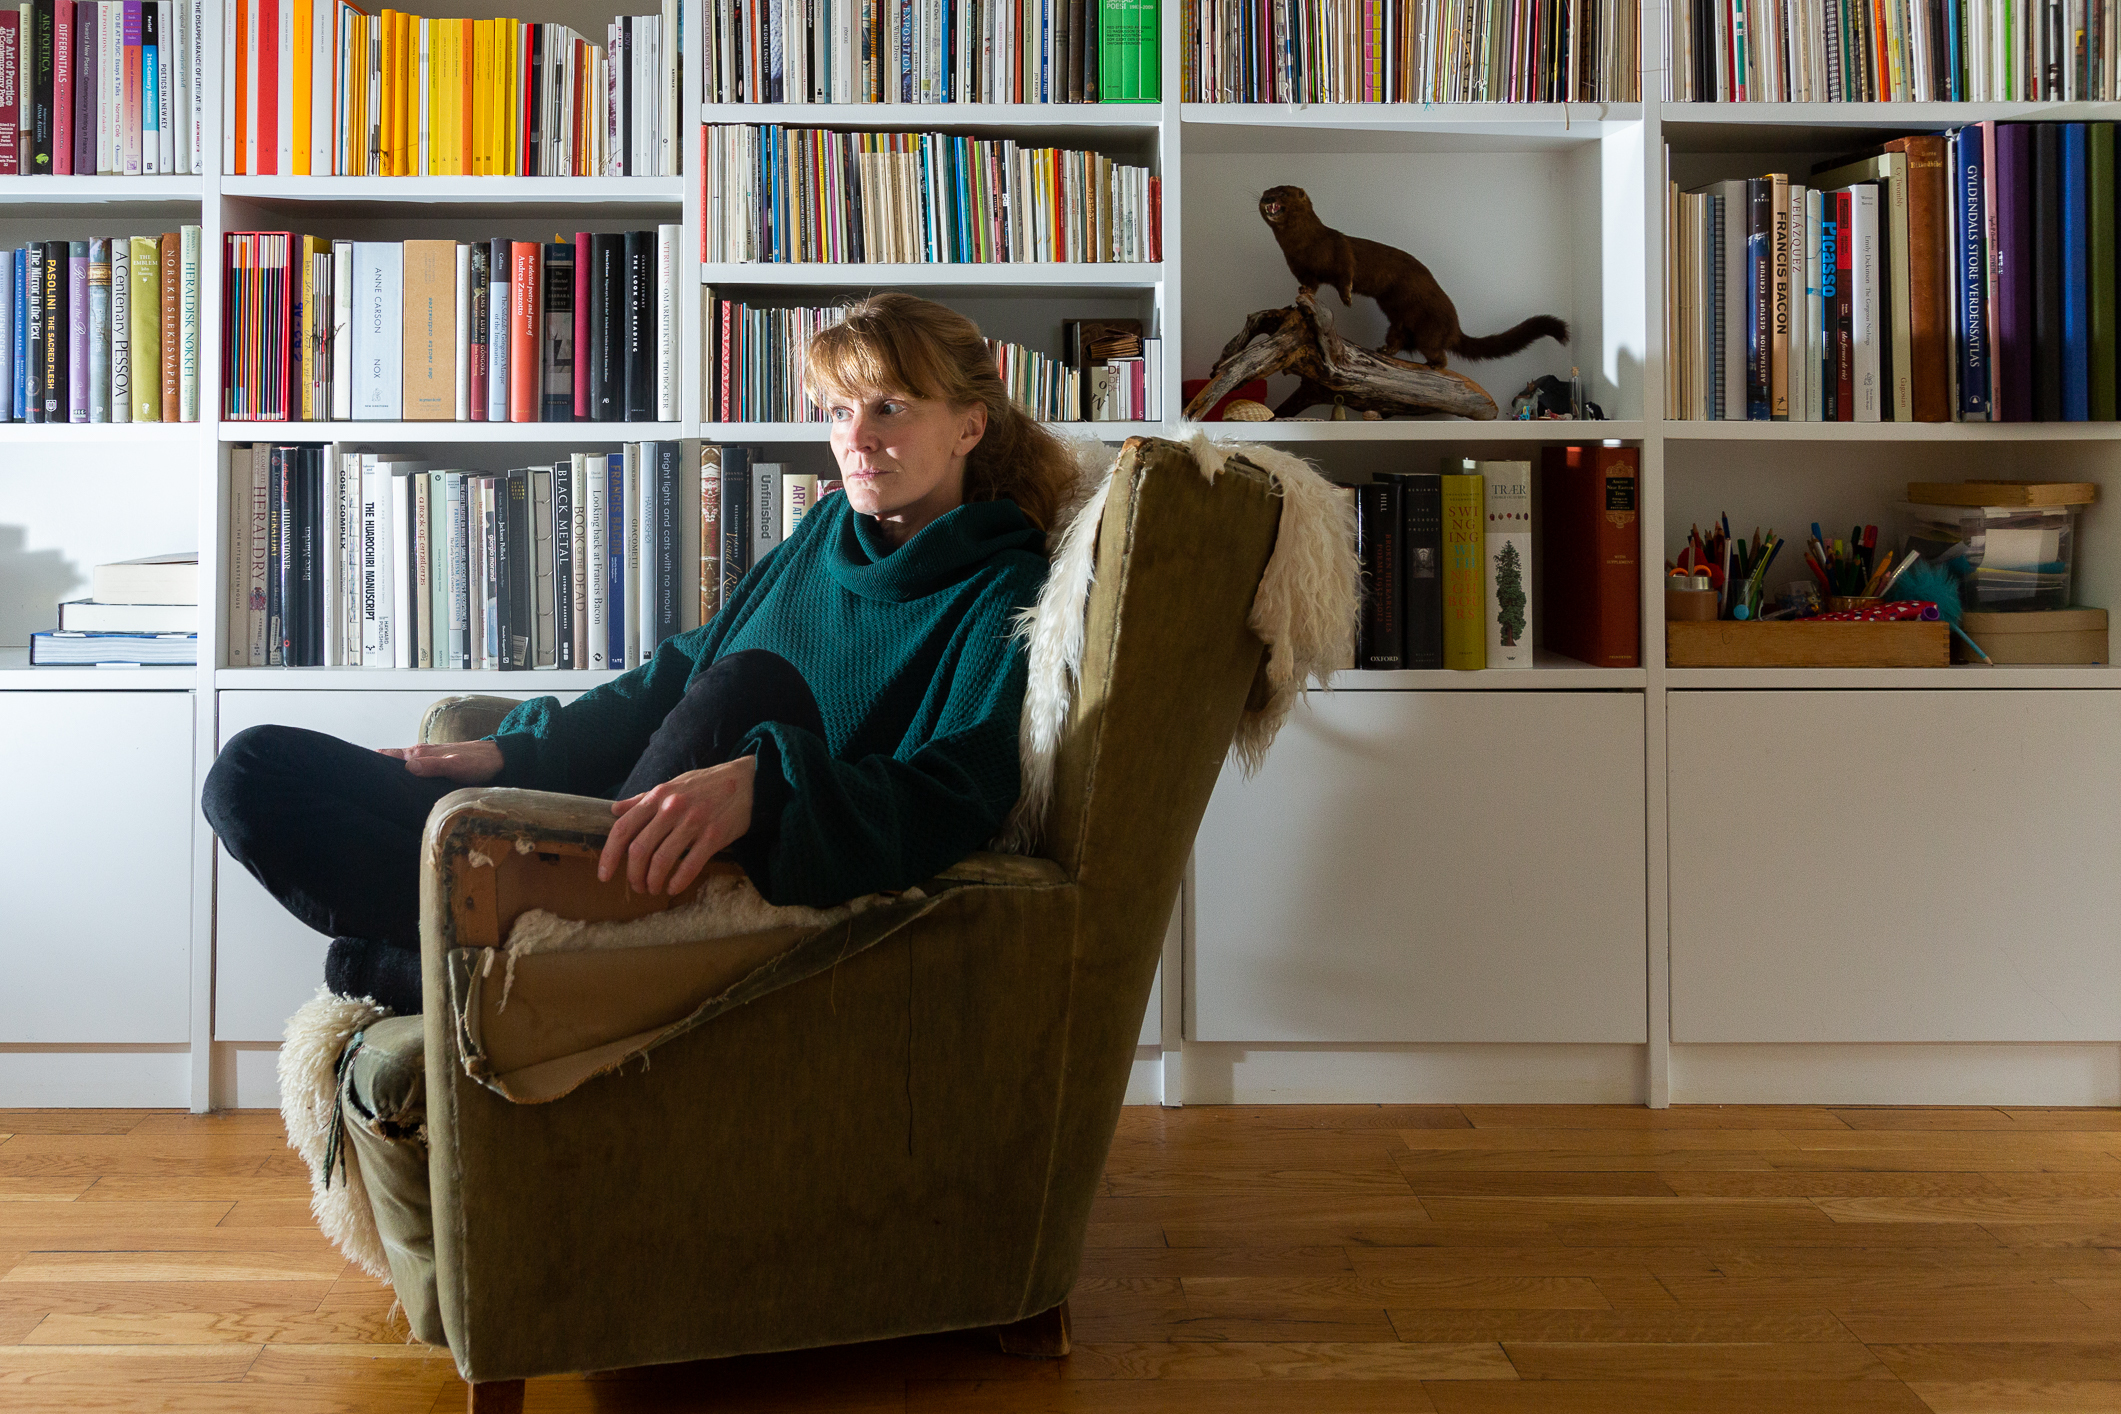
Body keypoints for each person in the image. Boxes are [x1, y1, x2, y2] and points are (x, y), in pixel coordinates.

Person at [201, 292, 1077, 1015]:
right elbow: (680, 671)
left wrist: (769, 787)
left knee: (752, 683)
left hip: (712, 865)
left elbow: (957, 788)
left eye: (890, 408)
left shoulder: (1003, 586)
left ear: (968, 426)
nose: (856, 437)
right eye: (840, 412)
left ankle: (506, 932)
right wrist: (517, 750)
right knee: (251, 771)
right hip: (609, 817)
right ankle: (501, 933)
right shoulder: (823, 532)